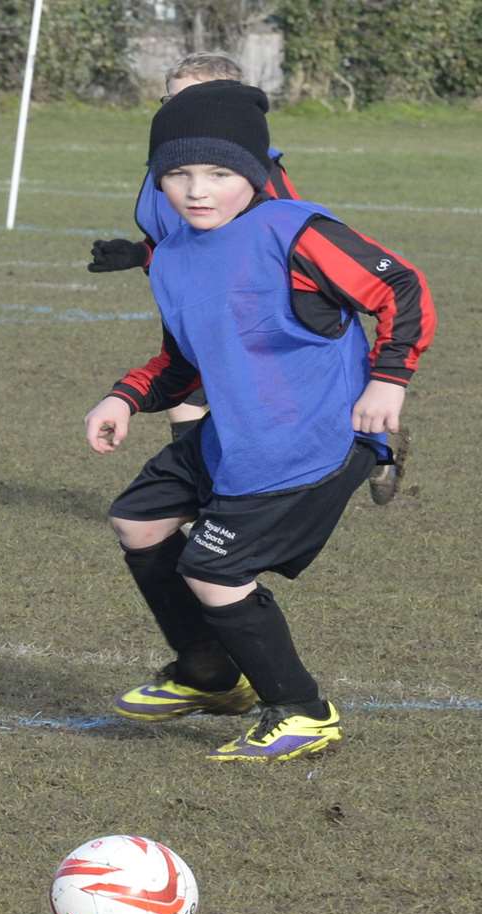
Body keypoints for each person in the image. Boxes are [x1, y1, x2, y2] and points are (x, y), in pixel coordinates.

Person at [82, 81, 435, 762]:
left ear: (254, 171)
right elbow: (185, 360)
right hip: (238, 434)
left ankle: (302, 709)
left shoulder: (296, 232)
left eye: (219, 172)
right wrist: (124, 397)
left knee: (213, 566)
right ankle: (211, 674)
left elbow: (400, 286)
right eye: (178, 173)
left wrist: (389, 379)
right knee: (139, 519)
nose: (197, 189)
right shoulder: (174, 253)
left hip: (315, 436)